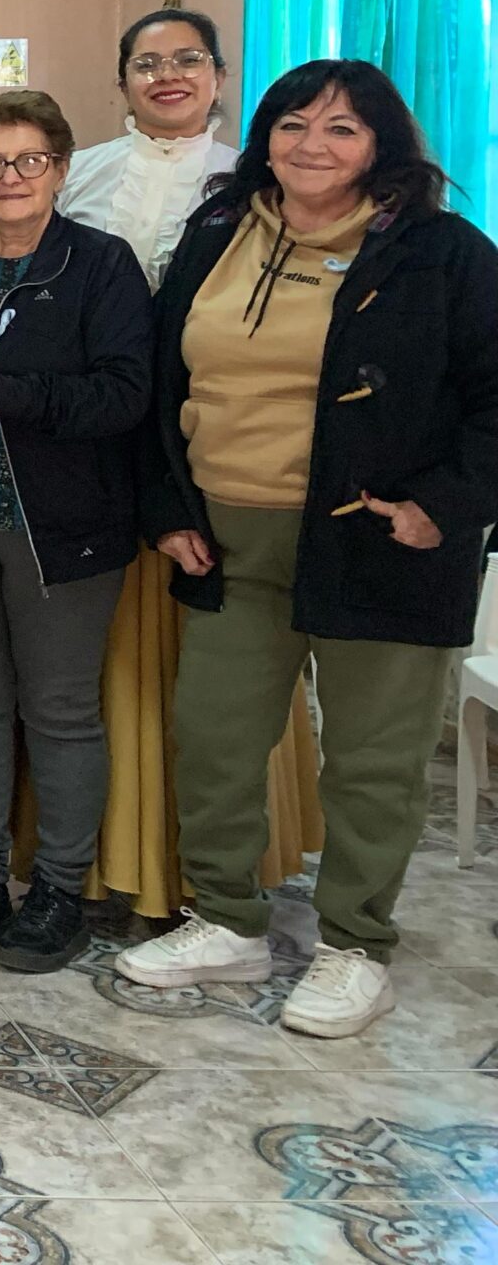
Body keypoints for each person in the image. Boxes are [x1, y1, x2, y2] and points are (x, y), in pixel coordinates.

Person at [116, 61, 498, 1038]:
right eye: (292, 126)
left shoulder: (441, 252)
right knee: (213, 735)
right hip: (227, 537)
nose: (311, 147)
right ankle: (229, 921)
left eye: (339, 129)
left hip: (379, 537)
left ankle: (355, 947)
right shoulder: (217, 231)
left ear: (383, 144)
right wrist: (168, 506)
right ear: (263, 137)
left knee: (372, 757)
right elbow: (162, 381)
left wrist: (441, 507)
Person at [57, 7, 323, 922]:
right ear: (122, 78)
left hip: (228, 455)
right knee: (90, 665)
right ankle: (88, 863)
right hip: (93, 446)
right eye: (145, 62)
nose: (166, 76)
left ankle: (224, 866)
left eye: (187, 61)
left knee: (228, 663)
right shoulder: (79, 175)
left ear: (218, 76)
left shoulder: (266, 184)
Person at [0, 91, 151, 972]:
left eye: (30, 161)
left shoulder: (100, 265)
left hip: (63, 529)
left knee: (58, 712)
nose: (10, 178)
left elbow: (125, 395)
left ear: (61, 167)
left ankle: (57, 889)